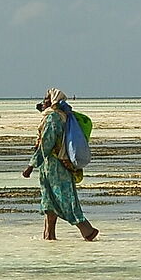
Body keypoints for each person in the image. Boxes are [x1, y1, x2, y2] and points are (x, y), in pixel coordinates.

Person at [21, 88, 98, 242]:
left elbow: (46, 144)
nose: (43, 103)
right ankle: (49, 236)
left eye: (46, 100)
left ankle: (87, 230)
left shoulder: (53, 118)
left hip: (54, 166)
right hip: (56, 165)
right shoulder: (64, 116)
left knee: (64, 199)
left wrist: (31, 166)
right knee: (49, 201)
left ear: (53, 101)